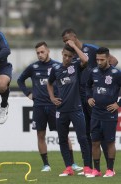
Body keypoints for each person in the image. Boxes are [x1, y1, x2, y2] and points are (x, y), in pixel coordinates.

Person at [17, 41, 82, 172]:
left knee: (63, 135)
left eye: (42, 52)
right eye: (38, 53)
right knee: (40, 135)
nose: (40, 55)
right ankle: (46, 164)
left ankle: (72, 164)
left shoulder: (57, 66)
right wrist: (28, 93)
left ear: (48, 51)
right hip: (39, 106)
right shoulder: (33, 67)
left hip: (55, 105)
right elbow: (20, 80)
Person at [61, 28, 118, 172]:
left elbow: (114, 61)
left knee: (101, 133)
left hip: (95, 96)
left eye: (67, 39)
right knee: (85, 132)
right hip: (81, 96)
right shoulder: (72, 56)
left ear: (74, 37)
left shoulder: (91, 49)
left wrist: (103, 80)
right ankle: (89, 167)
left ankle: (109, 167)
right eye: (64, 41)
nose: (66, 43)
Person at [47, 43, 91, 177]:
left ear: (73, 57)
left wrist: (74, 46)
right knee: (62, 139)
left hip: (76, 109)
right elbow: (49, 83)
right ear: (61, 53)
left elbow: (86, 60)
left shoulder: (76, 66)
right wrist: (52, 97)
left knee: (82, 138)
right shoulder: (56, 69)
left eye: (70, 56)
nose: (67, 58)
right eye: (65, 55)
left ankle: (88, 167)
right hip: (61, 110)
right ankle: (68, 167)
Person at [85, 47, 121, 178]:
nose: (99, 62)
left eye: (102, 59)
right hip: (95, 113)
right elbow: (87, 86)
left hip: (109, 114)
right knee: (95, 142)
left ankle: (110, 170)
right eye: (97, 59)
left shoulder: (116, 73)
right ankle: (96, 170)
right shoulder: (93, 72)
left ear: (108, 58)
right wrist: (89, 97)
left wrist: (118, 104)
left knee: (110, 142)